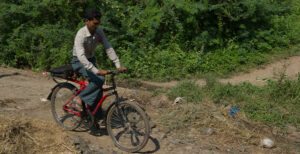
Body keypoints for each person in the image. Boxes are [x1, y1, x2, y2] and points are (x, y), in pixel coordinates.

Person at [71, 9, 126, 111]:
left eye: (98, 24)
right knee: (99, 79)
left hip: (91, 60)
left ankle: (96, 116)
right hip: (79, 62)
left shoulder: (99, 32)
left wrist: (118, 65)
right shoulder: (81, 34)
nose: (96, 26)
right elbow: (81, 56)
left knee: (98, 88)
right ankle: (79, 98)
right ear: (87, 21)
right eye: (94, 23)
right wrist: (97, 71)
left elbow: (108, 48)